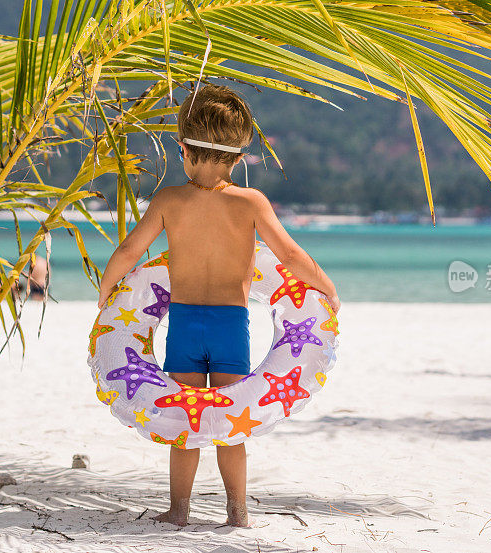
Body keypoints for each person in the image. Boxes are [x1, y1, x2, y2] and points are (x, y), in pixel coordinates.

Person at [97, 84, 340, 527]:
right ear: (238, 157)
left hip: (186, 324)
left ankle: (179, 510)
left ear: (186, 150)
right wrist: (326, 287)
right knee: (233, 421)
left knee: (182, 421)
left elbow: (131, 251)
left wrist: (106, 292)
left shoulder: (170, 200)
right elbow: (289, 256)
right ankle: (237, 510)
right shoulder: (250, 202)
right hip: (231, 325)